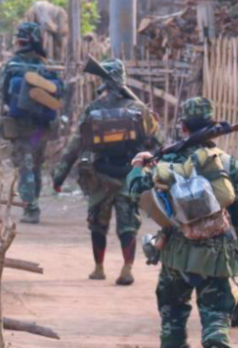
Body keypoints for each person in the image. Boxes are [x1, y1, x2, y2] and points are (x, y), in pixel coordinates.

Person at [128, 97, 238, 348]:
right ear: (213, 128)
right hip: (218, 254)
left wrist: (139, 165)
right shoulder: (226, 164)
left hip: (177, 254)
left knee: (173, 311)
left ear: (184, 127)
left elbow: (136, 192)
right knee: (216, 310)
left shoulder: (168, 162)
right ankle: (215, 347)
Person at [52, 59, 160, 284]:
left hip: (100, 176)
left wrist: (59, 176)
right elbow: (156, 142)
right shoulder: (138, 109)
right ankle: (127, 268)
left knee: (98, 224)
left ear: (103, 82)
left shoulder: (93, 109)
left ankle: (99, 268)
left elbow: (75, 145)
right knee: (128, 224)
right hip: (130, 175)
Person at [0, 21, 53, 223]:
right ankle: (34, 203)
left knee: (25, 167)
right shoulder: (46, 66)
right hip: (41, 128)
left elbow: (2, 95)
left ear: (19, 41)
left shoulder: (12, 65)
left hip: (20, 127)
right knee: (36, 165)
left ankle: (31, 209)